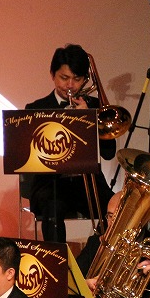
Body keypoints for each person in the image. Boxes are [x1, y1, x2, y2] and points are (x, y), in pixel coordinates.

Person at [22, 44, 116, 243]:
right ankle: (59, 260)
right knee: (53, 206)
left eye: (77, 79)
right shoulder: (35, 108)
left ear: (85, 79)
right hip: (50, 183)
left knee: (119, 208)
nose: (70, 85)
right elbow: (28, 158)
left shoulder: (95, 107)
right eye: (64, 78)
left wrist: (88, 121)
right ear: (53, 75)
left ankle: (99, 256)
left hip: (87, 182)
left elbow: (109, 152)